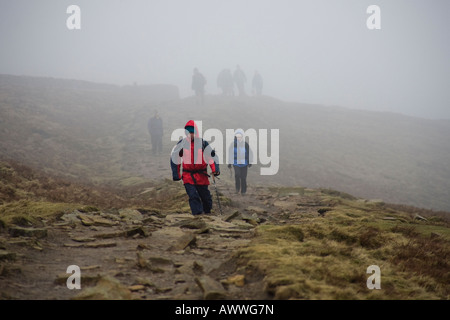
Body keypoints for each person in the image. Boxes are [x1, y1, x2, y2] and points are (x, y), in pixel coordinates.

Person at [170, 120, 220, 215]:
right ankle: (197, 216)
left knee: (206, 197)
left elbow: (212, 157)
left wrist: (215, 170)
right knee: (193, 196)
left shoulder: (203, 143)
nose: (190, 134)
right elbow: (175, 157)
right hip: (188, 175)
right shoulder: (182, 143)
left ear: (196, 132)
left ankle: (207, 212)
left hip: (201, 175)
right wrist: (176, 174)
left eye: (192, 132)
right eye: (188, 132)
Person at [228, 128, 253, 195]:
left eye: (240, 136)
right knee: (237, 175)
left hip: (244, 163)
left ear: (242, 137)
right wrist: (229, 163)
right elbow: (230, 154)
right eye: (237, 136)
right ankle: (237, 189)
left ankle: (243, 191)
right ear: (235, 137)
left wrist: (250, 161)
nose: (238, 138)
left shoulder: (245, 144)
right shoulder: (232, 145)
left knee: (243, 177)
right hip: (236, 163)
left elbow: (250, 153)